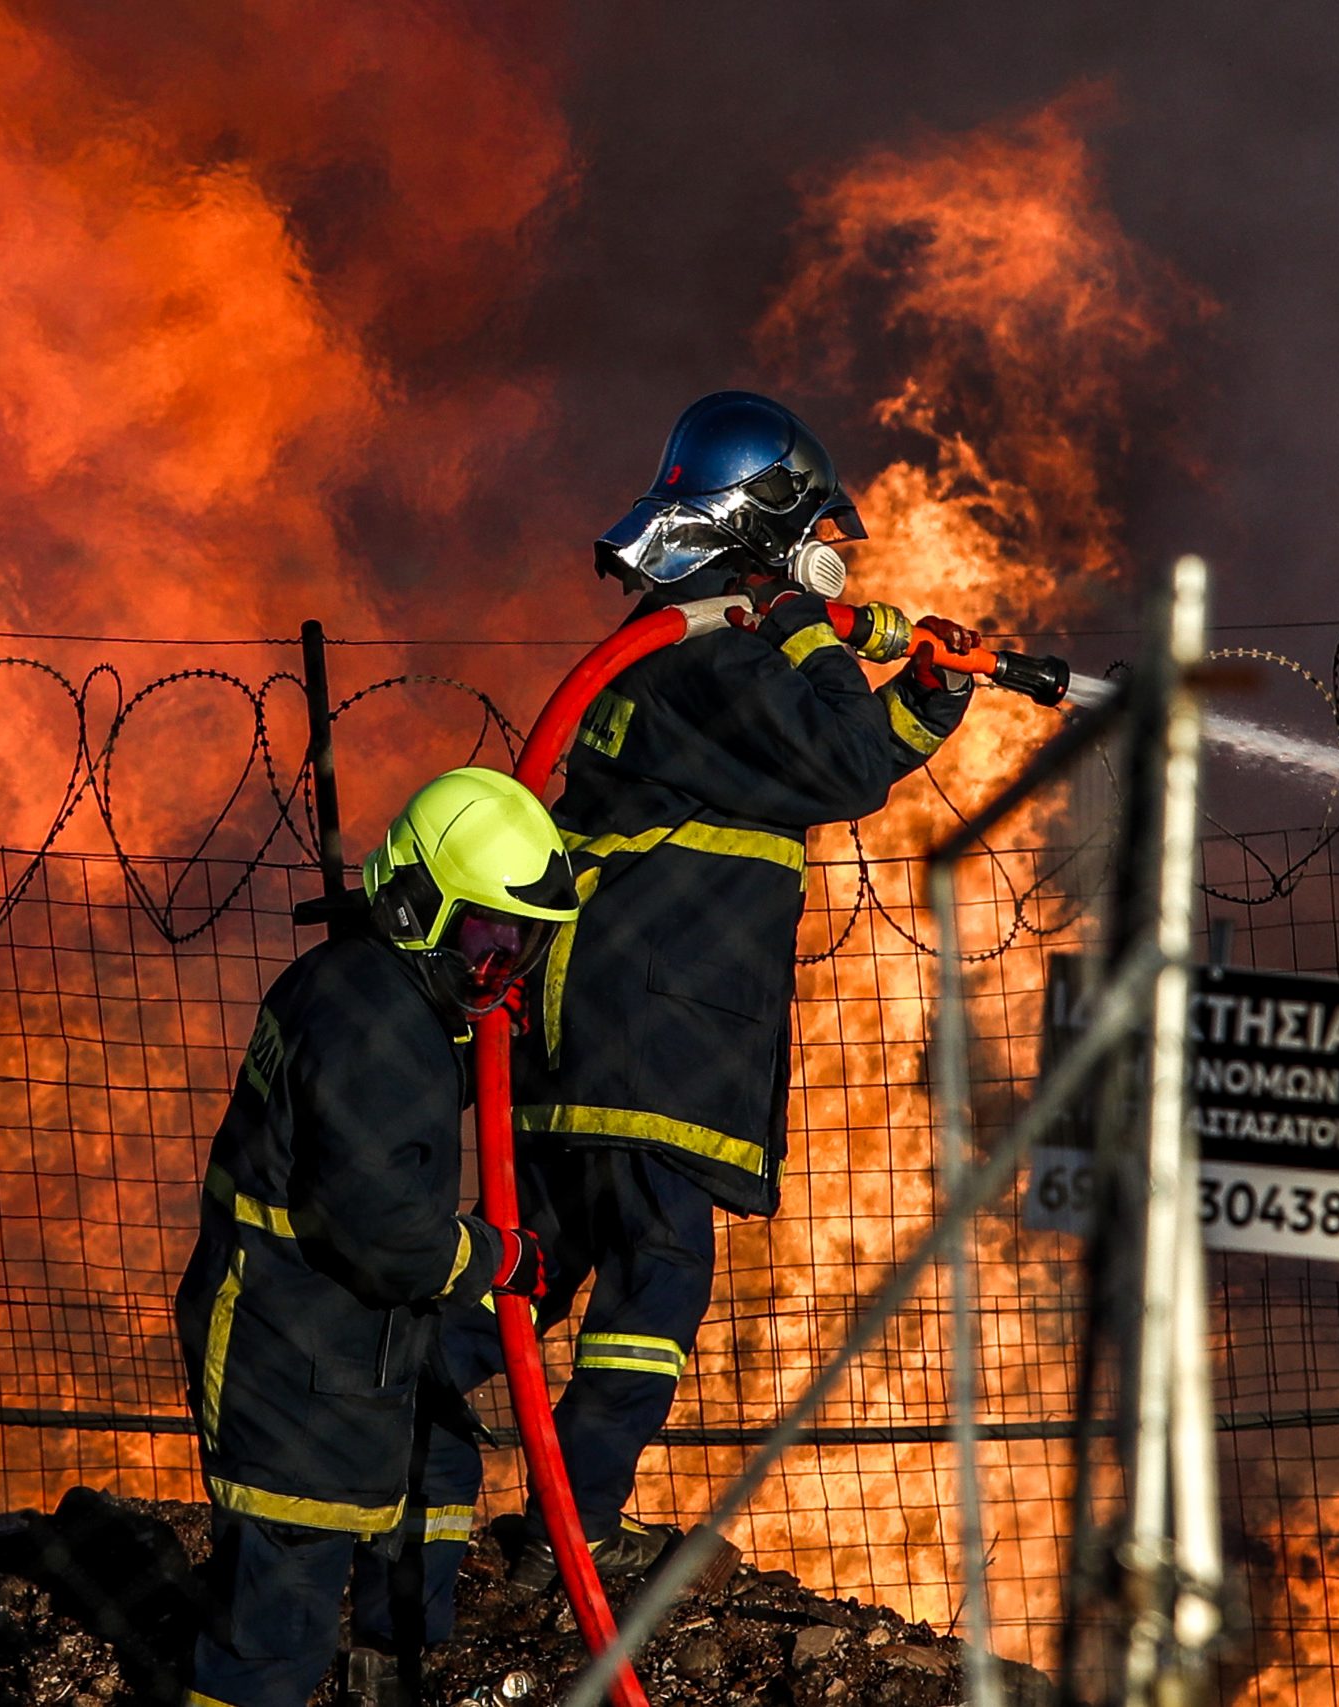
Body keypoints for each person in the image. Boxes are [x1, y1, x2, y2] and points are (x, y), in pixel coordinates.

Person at [431, 390, 987, 1595]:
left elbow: (814, 762)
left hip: (606, 1020)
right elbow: (836, 759)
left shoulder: (693, 653)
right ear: (770, 523)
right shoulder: (723, 644)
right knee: (656, 1271)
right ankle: (570, 1535)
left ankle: (379, 1422)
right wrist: (807, 624)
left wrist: (930, 693)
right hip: (654, 1020)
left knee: (540, 1262)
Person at [174, 766, 575, 1707]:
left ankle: (390, 1670)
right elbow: (384, 1229)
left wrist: (476, 1042)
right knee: (273, 1638)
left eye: (519, 945)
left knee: (429, 1464)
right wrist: (494, 1256)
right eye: (485, 936)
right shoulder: (377, 1022)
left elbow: (385, 1119)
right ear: (416, 902)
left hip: (322, 1339)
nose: (499, 966)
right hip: (292, 1352)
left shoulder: (367, 989)